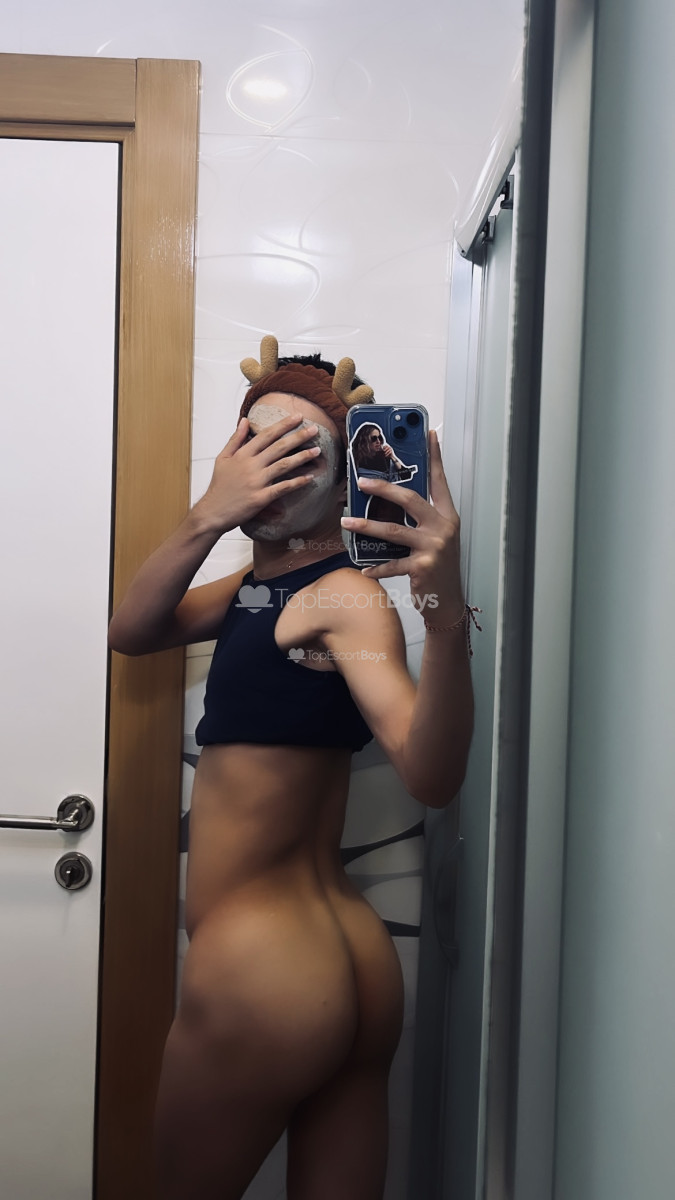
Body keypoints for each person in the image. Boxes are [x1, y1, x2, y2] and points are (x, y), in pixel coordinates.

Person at [108, 336, 476, 1200]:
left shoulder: (342, 598)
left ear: (345, 480)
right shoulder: (258, 590)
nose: (274, 469)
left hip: (265, 968)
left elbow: (429, 774)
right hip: (345, 958)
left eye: (300, 453)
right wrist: (205, 516)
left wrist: (443, 613)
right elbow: (133, 629)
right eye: (257, 443)